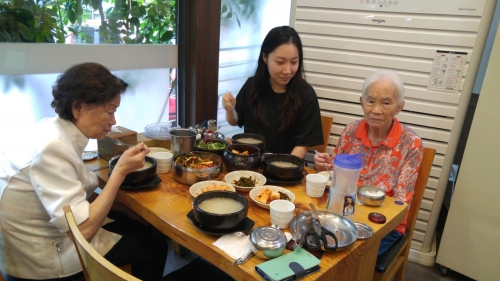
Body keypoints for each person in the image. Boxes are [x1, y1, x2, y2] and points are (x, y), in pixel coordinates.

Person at [0, 63, 167, 280]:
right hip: (45, 261)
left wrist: (123, 209)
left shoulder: (54, 129)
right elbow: (83, 232)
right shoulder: (52, 148)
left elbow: (73, 198)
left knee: (140, 224)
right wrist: (120, 171)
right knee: (154, 246)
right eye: (110, 111)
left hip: (45, 239)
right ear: (78, 108)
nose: (114, 121)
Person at [314, 69, 423, 255]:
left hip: (384, 223)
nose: (376, 110)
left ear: (399, 107)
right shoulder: (350, 131)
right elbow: (337, 174)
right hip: (343, 212)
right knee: (313, 238)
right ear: (361, 102)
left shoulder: (411, 144)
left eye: (386, 103)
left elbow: (399, 205)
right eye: (371, 101)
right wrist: (326, 164)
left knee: (343, 254)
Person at [222, 26, 323, 158]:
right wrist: (230, 110)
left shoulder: (306, 95)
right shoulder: (252, 85)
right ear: (265, 57)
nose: (287, 70)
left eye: (294, 62)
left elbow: (302, 145)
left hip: (286, 168)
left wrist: (281, 170)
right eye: (280, 62)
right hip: (251, 164)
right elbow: (235, 121)